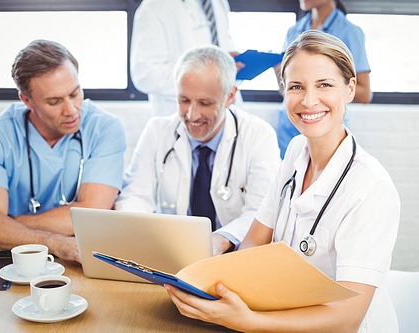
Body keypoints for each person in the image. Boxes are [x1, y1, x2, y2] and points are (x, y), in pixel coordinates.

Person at [165, 31, 400, 333]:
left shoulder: (371, 188)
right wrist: (215, 289)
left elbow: (348, 317)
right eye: (296, 87)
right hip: (281, 316)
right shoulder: (294, 152)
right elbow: (254, 241)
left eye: (324, 85)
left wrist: (249, 321)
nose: (308, 100)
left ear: (350, 88)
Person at [115, 45, 280, 256]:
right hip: (172, 254)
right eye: (184, 100)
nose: (192, 116)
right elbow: (135, 196)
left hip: (234, 255)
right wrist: (135, 230)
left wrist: (219, 241)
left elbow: (262, 213)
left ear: (230, 96)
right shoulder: (157, 131)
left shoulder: (258, 135)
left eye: (205, 103)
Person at [0, 40, 126, 262]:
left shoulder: (105, 128)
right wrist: (53, 243)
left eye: (74, 93)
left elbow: (92, 213)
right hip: (11, 257)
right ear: (27, 101)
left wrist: (10, 224)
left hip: (78, 254)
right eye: (54, 101)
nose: (71, 111)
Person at [277, 0, 372, 157]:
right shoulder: (293, 31)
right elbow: (285, 89)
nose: (309, 101)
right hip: (288, 131)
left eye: (325, 84)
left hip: (325, 129)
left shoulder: (350, 32)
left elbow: (365, 93)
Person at [130, 0, 241, 116]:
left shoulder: (218, 3)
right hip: (182, 118)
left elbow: (222, 43)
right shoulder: (154, 6)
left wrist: (229, 61)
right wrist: (203, 76)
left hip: (227, 112)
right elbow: (145, 74)